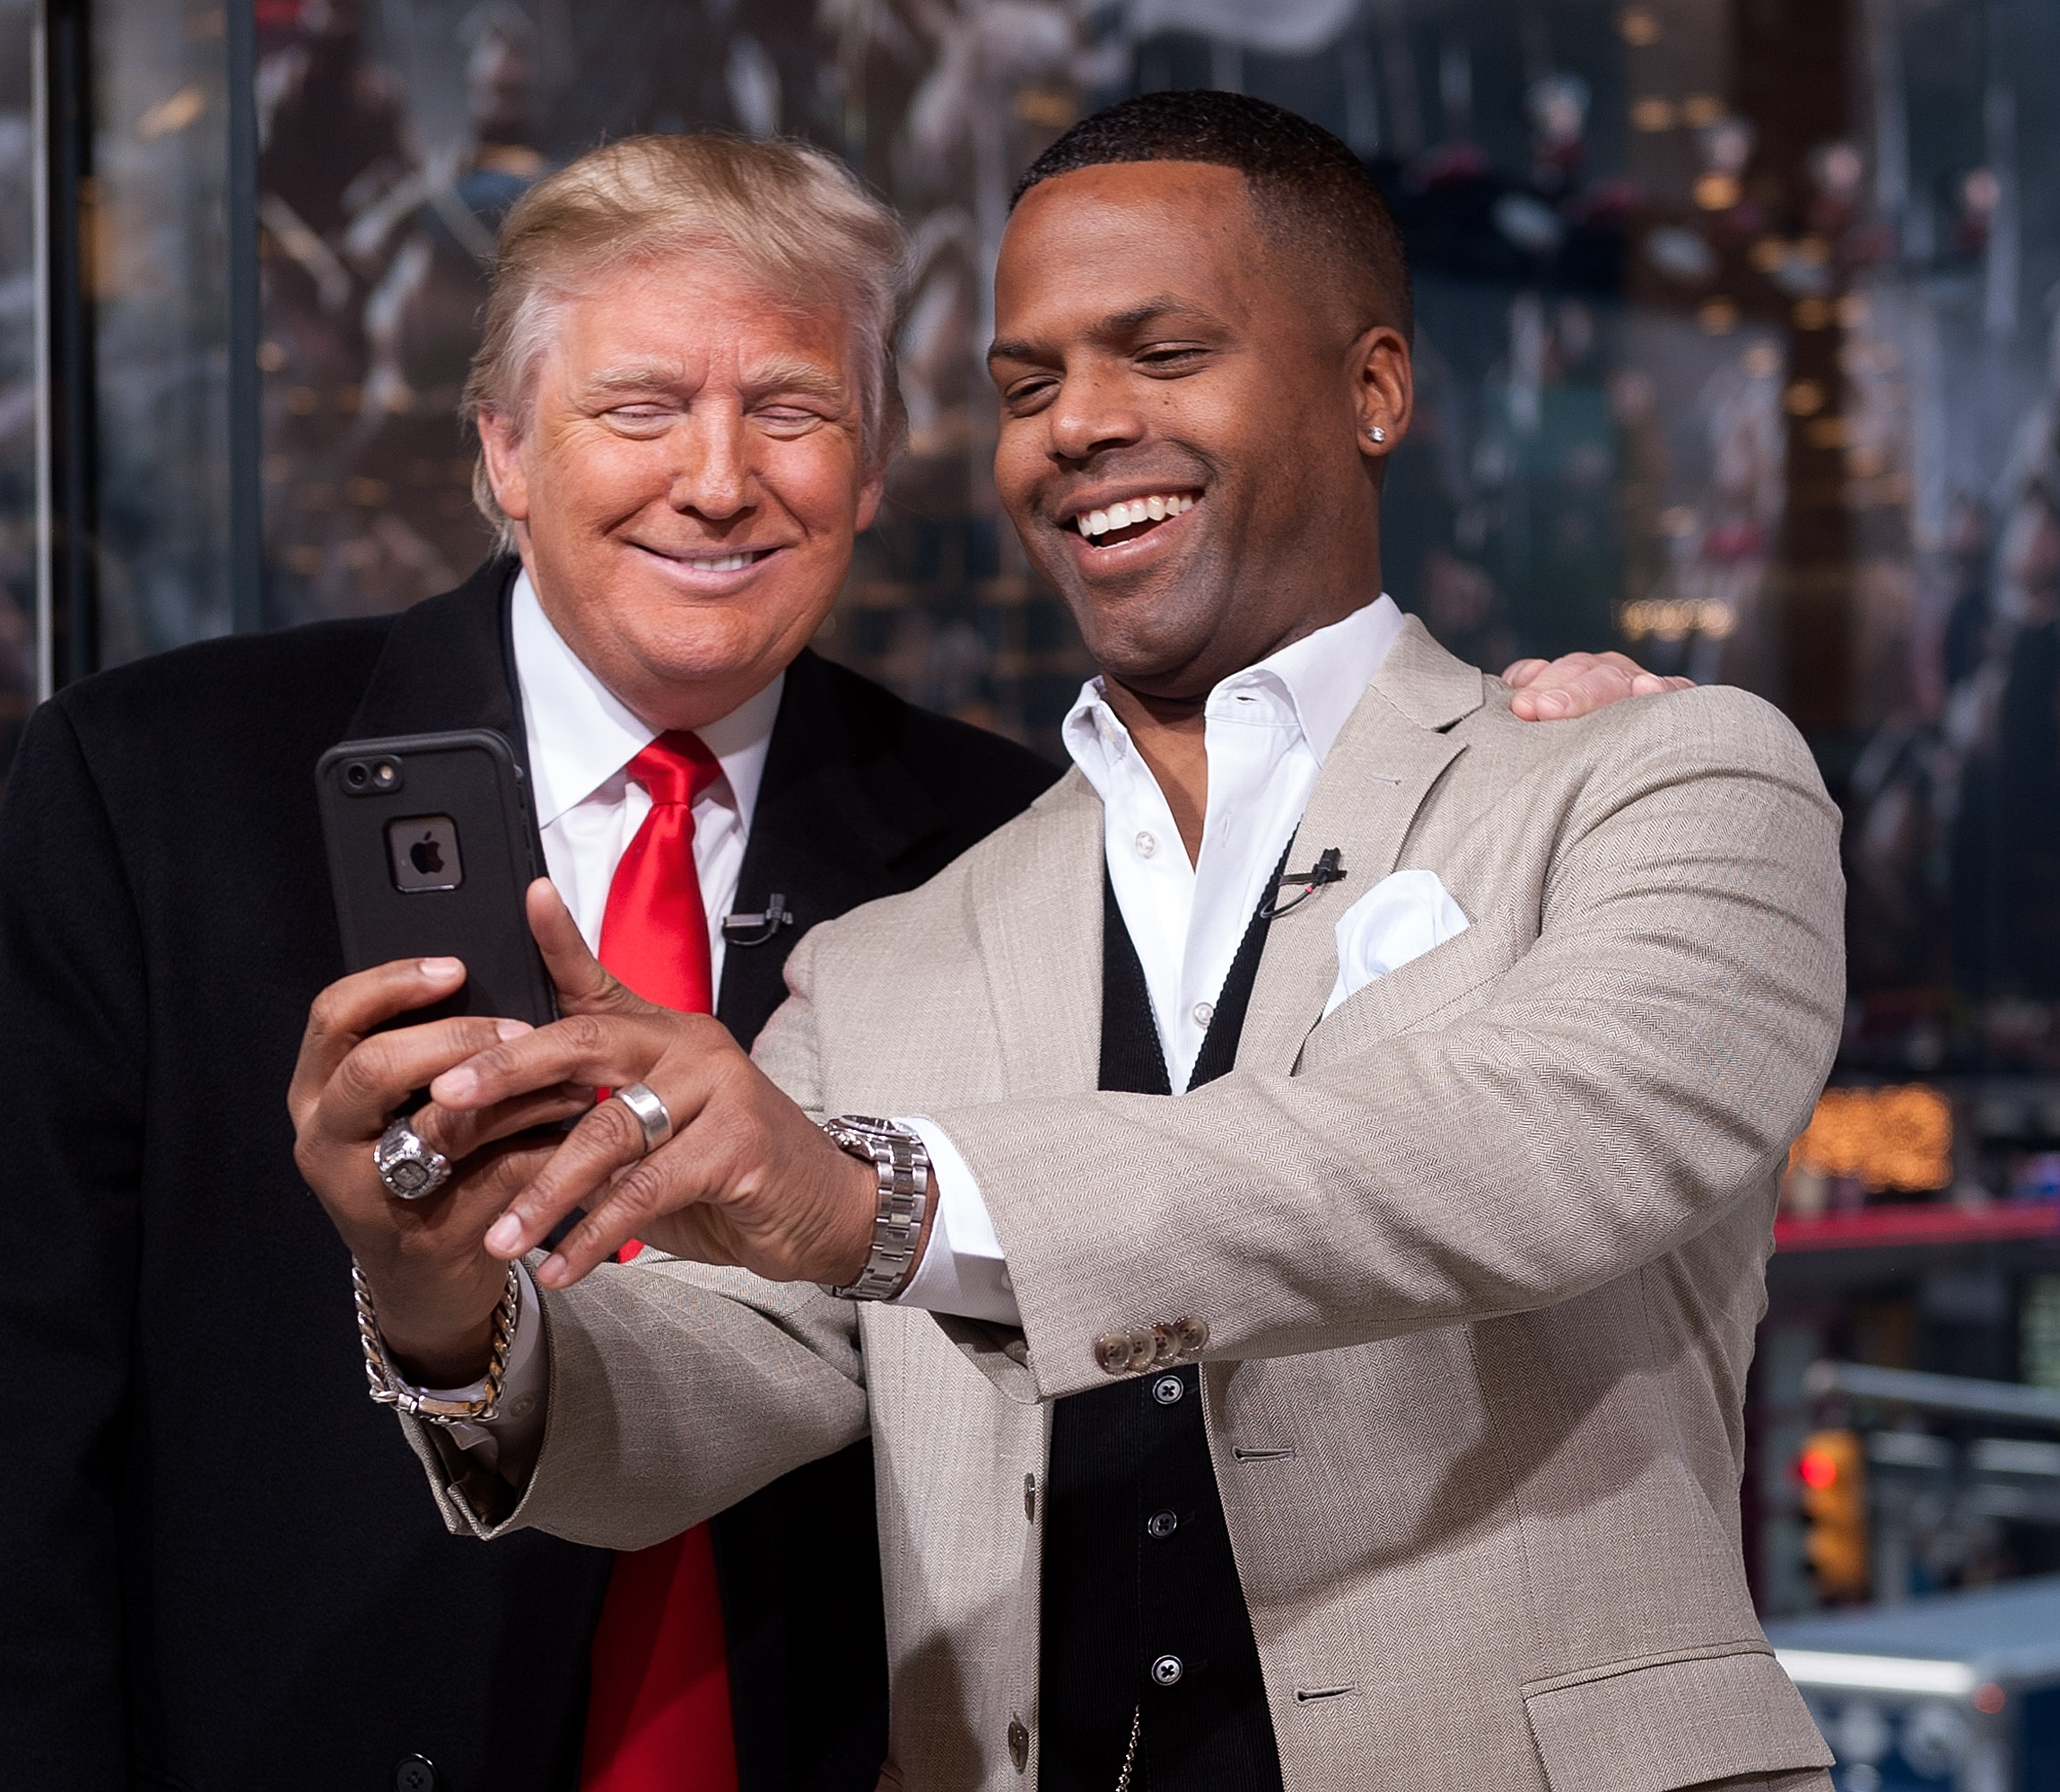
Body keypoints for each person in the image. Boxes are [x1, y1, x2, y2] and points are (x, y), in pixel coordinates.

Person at [0, 124, 1691, 1792]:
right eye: (641, 407)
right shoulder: (161, 786)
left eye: (793, 411)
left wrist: (1545, 727)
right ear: (503, 447)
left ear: (879, 465)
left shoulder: (1009, 834)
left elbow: (1260, 1164)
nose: (719, 482)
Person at [303, 94, 1843, 1791]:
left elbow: (1534, 1149)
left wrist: (875, 1196)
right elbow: (702, 1391)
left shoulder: (1665, 775)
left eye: (1162, 354)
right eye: (1029, 386)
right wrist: (441, 1291)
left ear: (1374, 388)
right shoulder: (899, 945)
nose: (1080, 426)